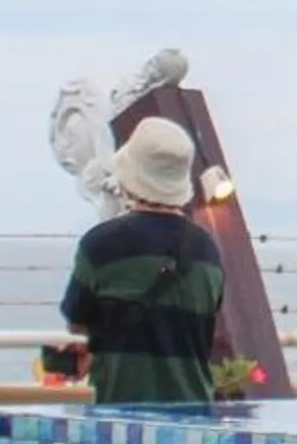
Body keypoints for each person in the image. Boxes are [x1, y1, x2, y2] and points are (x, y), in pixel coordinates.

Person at [59, 117, 227, 404]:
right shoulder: (208, 250)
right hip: (194, 417)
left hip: (119, 415)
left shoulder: (100, 245)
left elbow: (78, 326)